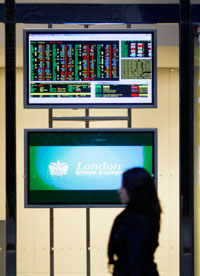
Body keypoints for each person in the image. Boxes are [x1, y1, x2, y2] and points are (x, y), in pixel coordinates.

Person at [108, 167, 162, 276]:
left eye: (124, 186)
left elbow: (137, 263)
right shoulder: (134, 216)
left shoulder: (138, 221)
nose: (119, 191)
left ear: (135, 188)